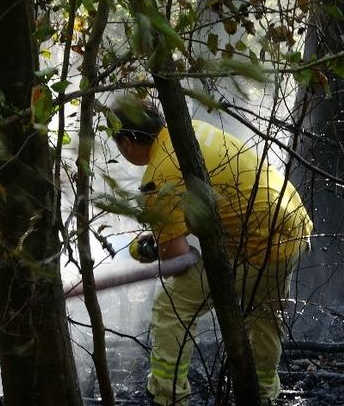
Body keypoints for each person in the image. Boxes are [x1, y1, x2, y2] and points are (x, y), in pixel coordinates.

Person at [109, 94, 313, 405]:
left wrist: (152, 249)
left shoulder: (158, 176)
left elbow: (180, 260)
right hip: (291, 221)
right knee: (262, 316)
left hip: (258, 241)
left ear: (125, 144)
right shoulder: (191, 130)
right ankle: (263, 395)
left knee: (171, 306)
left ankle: (168, 396)